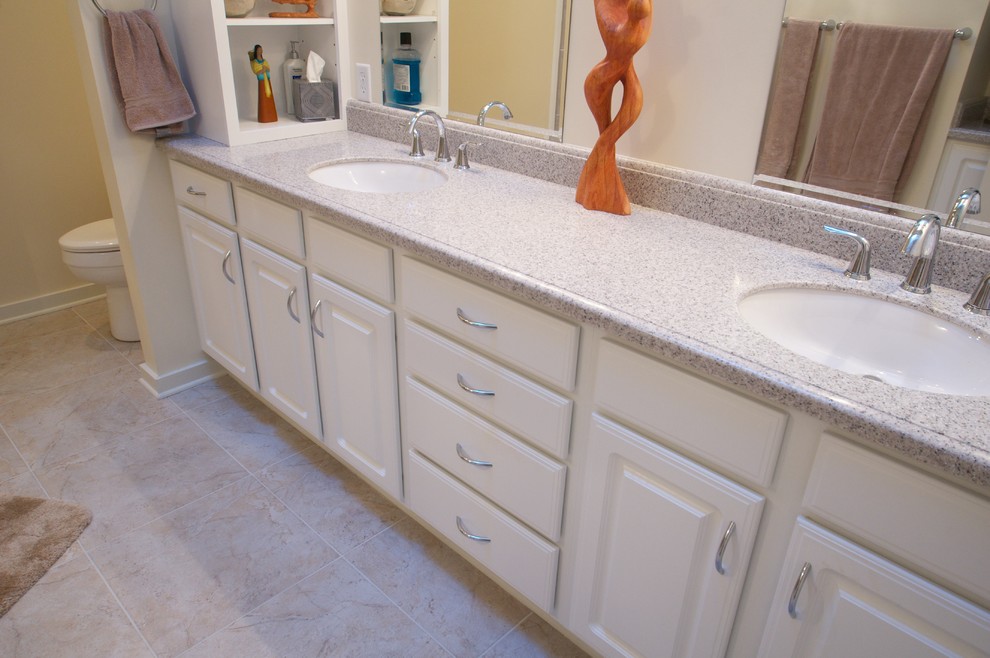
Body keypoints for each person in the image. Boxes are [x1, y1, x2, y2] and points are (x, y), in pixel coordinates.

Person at [250, 44, 278, 123]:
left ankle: (271, 116)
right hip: (262, 82)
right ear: (256, 51)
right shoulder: (255, 62)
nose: (260, 51)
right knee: (263, 98)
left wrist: (265, 69)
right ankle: (265, 116)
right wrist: (262, 70)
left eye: (261, 49)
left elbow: (268, 68)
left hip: (267, 81)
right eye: (259, 50)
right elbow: (256, 70)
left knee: (269, 98)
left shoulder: (265, 61)